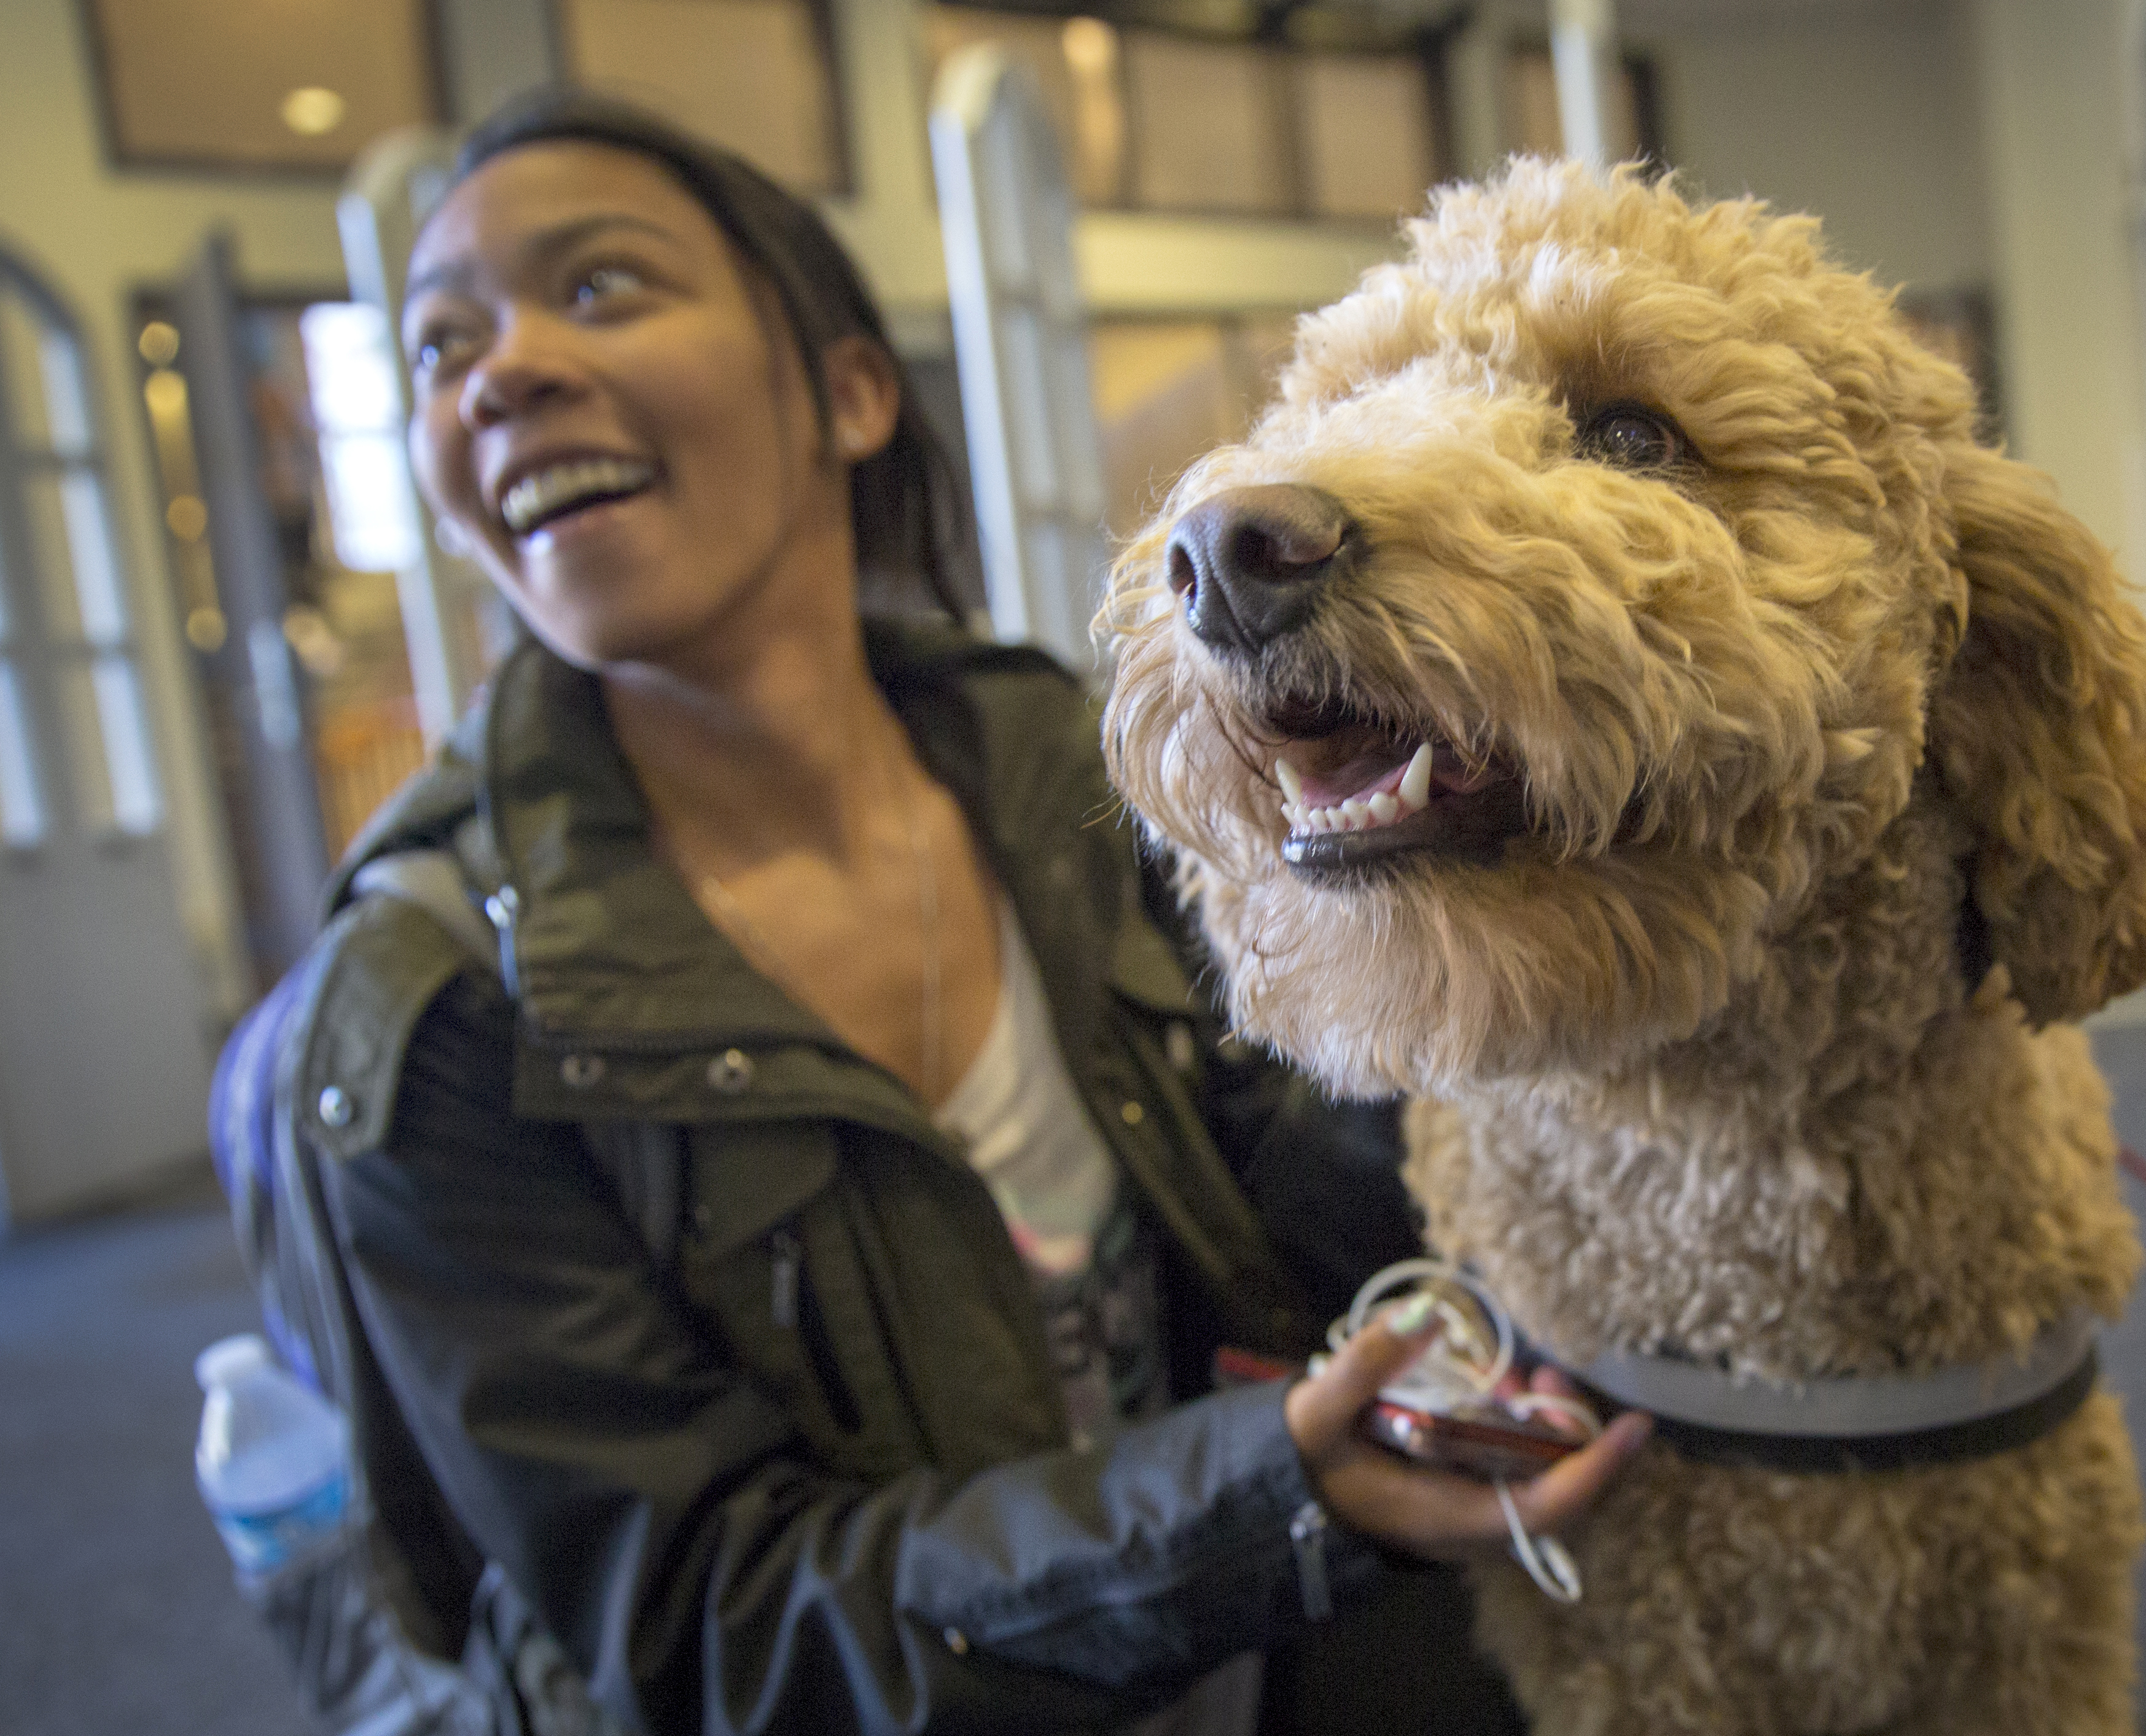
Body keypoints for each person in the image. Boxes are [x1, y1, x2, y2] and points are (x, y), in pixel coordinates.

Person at [292, 90, 1646, 1736]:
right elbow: (703, 1623)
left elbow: (1327, 1185)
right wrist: (1256, 1500)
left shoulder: (1076, 775)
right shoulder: (432, 1007)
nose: (496, 371)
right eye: (438, 350)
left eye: (596, 289)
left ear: (849, 390)